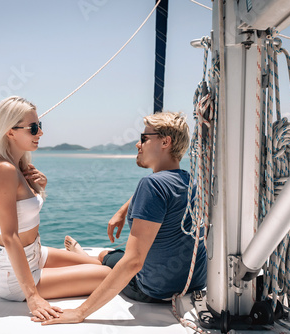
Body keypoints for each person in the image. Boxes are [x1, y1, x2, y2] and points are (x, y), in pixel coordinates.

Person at [36, 111, 207, 325]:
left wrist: (80, 313)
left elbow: (133, 262)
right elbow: (161, 193)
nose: (138, 144)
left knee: (109, 262)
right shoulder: (190, 181)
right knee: (110, 254)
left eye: (144, 138)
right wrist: (122, 210)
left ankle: (87, 257)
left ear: (165, 141)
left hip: (154, 291)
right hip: (193, 284)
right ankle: (87, 256)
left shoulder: (151, 185)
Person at [0, 96, 111, 321]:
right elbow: (10, 236)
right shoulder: (4, 169)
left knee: (96, 263)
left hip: (35, 254)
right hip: (17, 273)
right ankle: (4, 277)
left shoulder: (18, 166)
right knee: (106, 275)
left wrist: (39, 188)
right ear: (10, 131)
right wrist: (32, 296)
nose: (40, 133)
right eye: (33, 128)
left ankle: (76, 257)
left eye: (39, 126)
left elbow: (25, 213)